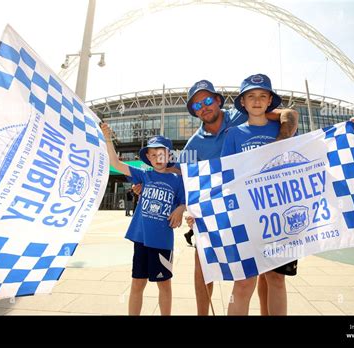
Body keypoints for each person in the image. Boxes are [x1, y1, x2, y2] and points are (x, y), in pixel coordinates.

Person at [181, 79, 299, 316]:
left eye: (207, 100)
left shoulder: (241, 113)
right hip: (233, 209)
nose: (203, 107)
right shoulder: (195, 145)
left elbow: (289, 114)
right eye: (196, 106)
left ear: (217, 100)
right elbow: (186, 177)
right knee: (208, 265)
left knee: (273, 277)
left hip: (274, 210)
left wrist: (283, 138)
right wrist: (189, 208)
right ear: (194, 112)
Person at [219, 73, 298, 315]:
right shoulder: (233, 134)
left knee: (276, 279)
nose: (256, 100)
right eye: (250, 96)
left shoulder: (284, 129)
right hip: (247, 217)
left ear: (270, 101)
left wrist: (351, 127)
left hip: (279, 216)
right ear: (242, 102)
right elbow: (225, 175)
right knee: (243, 282)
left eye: (262, 96)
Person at [101, 123, 186, 315]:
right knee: (137, 283)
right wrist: (108, 139)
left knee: (164, 284)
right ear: (148, 157)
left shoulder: (177, 180)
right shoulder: (144, 175)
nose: (158, 158)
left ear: (169, 155)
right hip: (141, 238)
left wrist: (180, 209)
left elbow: (186, 201)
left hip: (162, 241)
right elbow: (116, 164)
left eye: (162, 154)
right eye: (153, 155)